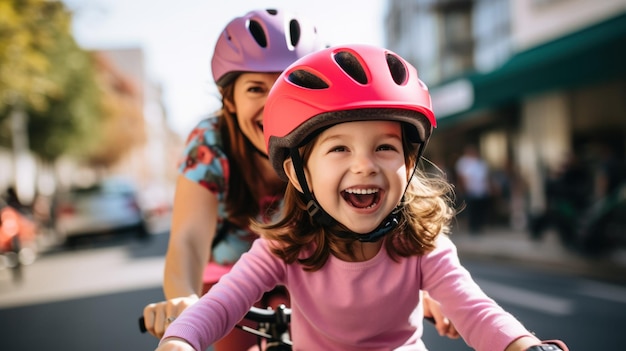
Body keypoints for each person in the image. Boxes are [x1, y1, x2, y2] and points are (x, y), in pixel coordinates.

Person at [154, 44, 569, 351]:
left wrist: (523, 345)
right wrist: (181, 340)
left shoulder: (422, 244)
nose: (364, 166)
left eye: (385, 148)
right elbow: (222, 305)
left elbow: (474, 308)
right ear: (298, 174)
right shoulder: (283, 246)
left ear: (409, 163)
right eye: (339, 149)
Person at [141, 9, 456, 349]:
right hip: (230, 284)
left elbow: (391, 223)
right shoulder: (209, 144)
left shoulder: (331, 139)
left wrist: (428, 289)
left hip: (321, 272)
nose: (273, 102)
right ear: (228, 101)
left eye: (284, 82)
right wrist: (184, 301)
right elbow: (188, 239)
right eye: (255, 89)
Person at [455, 144, 491, 234]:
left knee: (480, 209)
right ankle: (473, 227)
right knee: (471, 210)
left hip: (480, 190)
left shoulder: (480, 163)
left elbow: (485, 176)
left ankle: (479, 226)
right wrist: (463, 188)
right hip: (470, 190)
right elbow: (461, 176)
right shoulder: (463, 162)